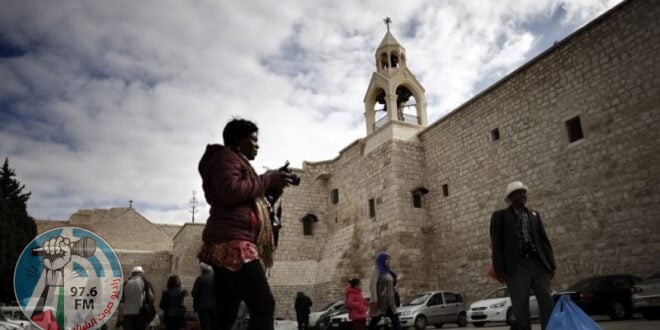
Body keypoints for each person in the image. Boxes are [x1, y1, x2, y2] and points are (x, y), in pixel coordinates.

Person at [197, 118, 294, 330]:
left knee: (226, 310)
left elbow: (250, 198)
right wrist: (267, 179)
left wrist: (274, 186)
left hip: (226, 240)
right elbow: (231, 191)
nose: (257, 145)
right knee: (263, 305)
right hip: (232, 243)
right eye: (253, 140)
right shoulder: (225, 158)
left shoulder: (235, 162)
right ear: (238, 141)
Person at [490, 181, 556, 330]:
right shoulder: (500, 216)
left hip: (539, 265)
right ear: (510, 197)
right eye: (518, 192)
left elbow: (544, 241)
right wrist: (500, 270)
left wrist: (551, 265)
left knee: (547, 302)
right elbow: (497, 244)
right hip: (517, 267)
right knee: (520, 307)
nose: (522, 195)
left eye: (523, 192)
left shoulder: (534, 215)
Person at [367, 252, 401, 330]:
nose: (388, 261)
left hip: (390, 301)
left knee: (396, 320)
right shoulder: (376, 269)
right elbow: (372, 285)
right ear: (382, 259)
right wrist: (374, 299)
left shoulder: (388, 271)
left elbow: (391, 285)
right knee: (375, 319)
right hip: (380, 301)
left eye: (389, 260)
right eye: (387, 259)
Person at [120, 266, 155, 330]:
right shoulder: (145, 283)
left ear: (132, 273)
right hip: (140, 314)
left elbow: (121, 301)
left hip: (127, 314)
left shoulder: (125, 284)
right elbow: (151, 298)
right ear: (141, 273)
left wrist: (119, 319)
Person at [192, 262, 215, 330]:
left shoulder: (200, 279)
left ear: (202, 269)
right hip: (215, 306)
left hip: (203, 306)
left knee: (204, 325)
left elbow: (194, 293)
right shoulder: (217, 278)